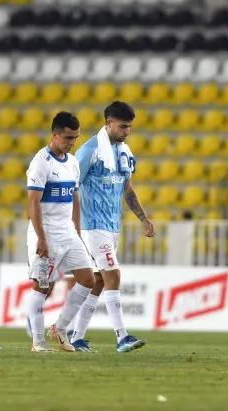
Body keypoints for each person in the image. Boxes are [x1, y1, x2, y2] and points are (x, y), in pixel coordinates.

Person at [69, 101, 152, 354]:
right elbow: (71, 186)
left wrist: (143, 218)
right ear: (108, 123)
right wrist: (73, 225)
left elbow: (127, 189)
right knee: (113, 275)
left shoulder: (123, 152)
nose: (127, 132)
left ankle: (76, 336)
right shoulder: (89, 151)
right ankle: (122, 336)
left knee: (97, 281)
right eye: (123, 126)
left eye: (130, 127)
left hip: (112, 226)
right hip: (91, 225)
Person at [24, 112, 96, 353]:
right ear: (55, 135)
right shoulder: (41, 162)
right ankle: (38, 342)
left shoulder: (73, 162)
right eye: (68, 138)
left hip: (68, 233)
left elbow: (75, 198)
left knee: (88, 279)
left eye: (75, 138)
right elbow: (32, 203)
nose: (72, 142)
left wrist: (77, 230)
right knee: (42, 285)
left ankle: (60, 327)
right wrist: (41, 237)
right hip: (46, 233)